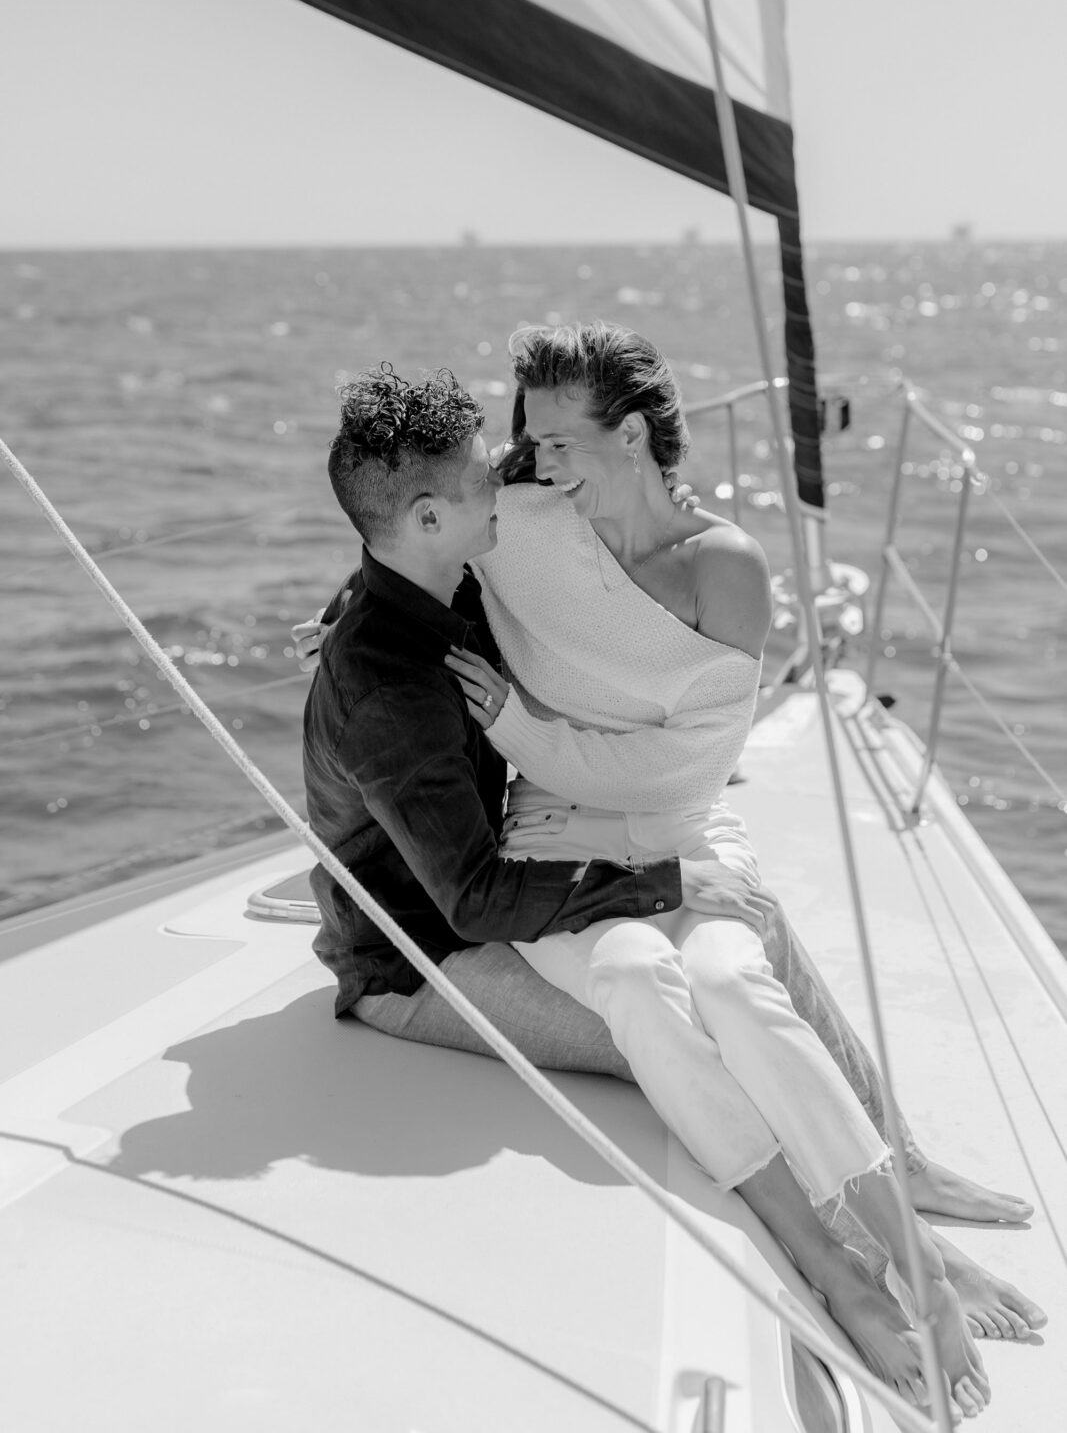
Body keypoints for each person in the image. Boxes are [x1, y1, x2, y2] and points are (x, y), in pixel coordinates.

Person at [299, 357, 1040, 1415]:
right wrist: (659, 874)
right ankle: (852, 1261)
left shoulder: (430, 575)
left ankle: (896, 1211)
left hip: (493, 889)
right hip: (425, 960)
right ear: (427, 517)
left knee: (715, 970)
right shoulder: (389, 681)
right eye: (483, 481)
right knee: (690, 1010)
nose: (511, 486)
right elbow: (472, 900)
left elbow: (450, 516)